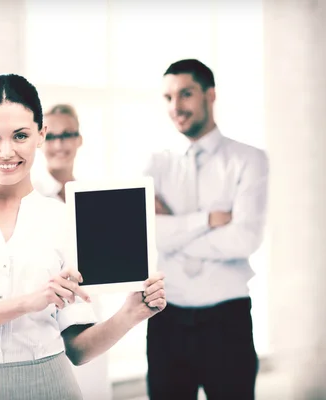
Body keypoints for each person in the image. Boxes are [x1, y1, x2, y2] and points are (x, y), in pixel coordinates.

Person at [0, 74, 167, 400]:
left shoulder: (65, 219)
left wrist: (130, 314)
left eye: (20, 135)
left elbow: (78, 350)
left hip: (49, 385)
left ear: (40, 135)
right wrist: (29, 302)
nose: (6, 151)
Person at [144, 59, 269, 400]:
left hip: (226, 320)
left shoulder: (249, 160)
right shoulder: (155, 164)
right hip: (166, 318)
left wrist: (173, 232)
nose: (176, 107)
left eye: (186, 94)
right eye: (168, 97)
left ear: (210, 95)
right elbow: (145, 237)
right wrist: (205, 221)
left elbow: (245, 239)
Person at [33, 103, 111, 400]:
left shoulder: (95, 197)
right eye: (52, 136)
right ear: (40, 141)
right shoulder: (32, 197)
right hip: (46, 313)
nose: (60, 144)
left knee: (92, 387)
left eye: (68, 135)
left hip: (90, 306)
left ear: (80, 140)